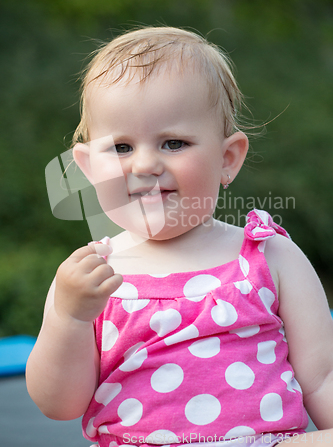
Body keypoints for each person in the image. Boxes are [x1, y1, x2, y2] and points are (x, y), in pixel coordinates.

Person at [26, 27, 333, 447]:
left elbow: (323, 377)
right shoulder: (94, 276)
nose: (146, 164)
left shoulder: (269, 254)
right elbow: (58, 404)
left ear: (227, 159)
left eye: (173, 143)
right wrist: (70, 318)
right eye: (120, 148)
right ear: (88, 167)